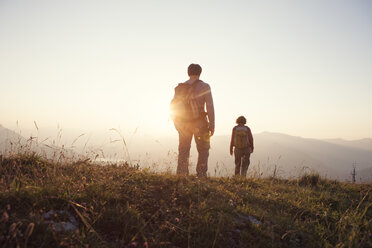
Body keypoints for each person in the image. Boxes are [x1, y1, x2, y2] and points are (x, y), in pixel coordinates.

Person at [171, 64, 215, 177]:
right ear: (200, 73)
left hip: (184, 123)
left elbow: (174, 106)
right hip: (200, 123)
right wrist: (212, 124)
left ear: (188, 73)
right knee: (203, 149)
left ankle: (181, 175)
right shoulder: (205, 86)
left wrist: (176, 123)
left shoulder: (180, 87)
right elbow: (209, 106)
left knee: (184, 150)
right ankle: (201, 175)